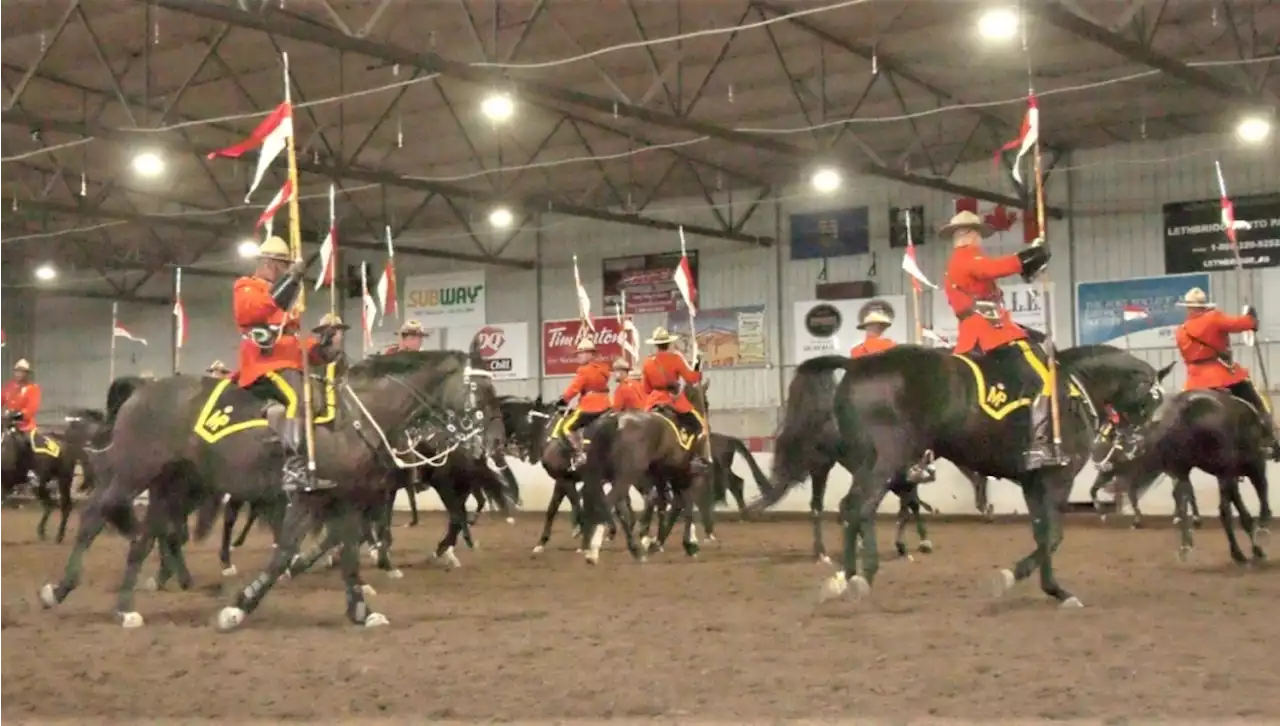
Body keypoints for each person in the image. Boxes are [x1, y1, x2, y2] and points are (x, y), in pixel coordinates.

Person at [940, 210, 1058, 470]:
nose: (978, 238)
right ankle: (1040, 443)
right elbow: (995, 268)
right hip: (990, 331)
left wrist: (1031, 263)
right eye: (977, 234)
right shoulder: (968, 257)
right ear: (971, 234)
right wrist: (1029, 255)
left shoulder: (959, 261)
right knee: (1044, 374)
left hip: (976, 331)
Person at [232, 234, 315, 492]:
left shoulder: (286, 304)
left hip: (290, 364)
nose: (285, 270)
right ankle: (293, 468)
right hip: (264, 365)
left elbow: (293, 341)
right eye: (283, 265)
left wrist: (321, 348)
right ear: (269, 263)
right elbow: (253, 311)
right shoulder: (247, 286)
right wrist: (291, 280)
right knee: (296, 399)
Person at [1174, 286, 1278, 459]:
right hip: (1221, 375)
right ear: (1203, 306)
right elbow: (1243, 324)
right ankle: (1269, 441)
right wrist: (1251, 316)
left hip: (1193, 381)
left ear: (1188, 307)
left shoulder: (1181, 331)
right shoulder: (1213, 318)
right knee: (1256, 403)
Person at [640, 326, 710, 472]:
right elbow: (691, 379)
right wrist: (697, 365)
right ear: (669, 343)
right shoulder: (675, 358)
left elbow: (646, 389)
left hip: (653, 401)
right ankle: (696, 457)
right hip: (673, 400)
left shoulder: (647, 362)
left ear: (655, 344)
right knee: (698, 424)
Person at [553, 338, 612, 464]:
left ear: (590, 354)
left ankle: (580, 455)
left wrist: (563, 400)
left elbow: (574, 388)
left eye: (581, 353)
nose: (579, 356)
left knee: (567, 427)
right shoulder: (603, 368)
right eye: (578, 354)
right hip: (606, 404)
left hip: (590, 406)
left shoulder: (583, 370)